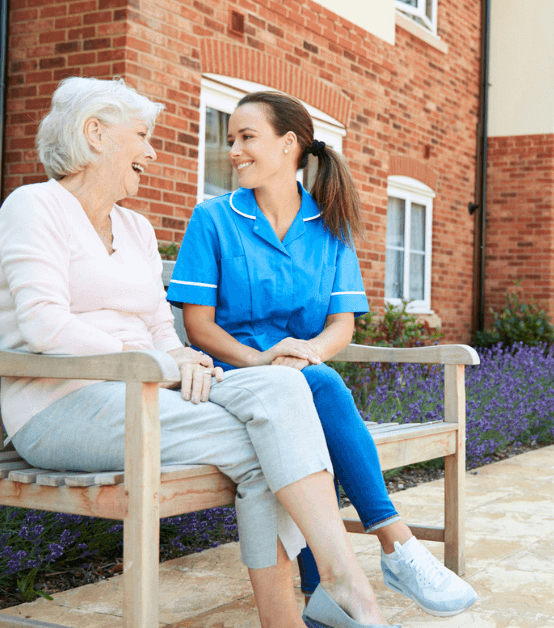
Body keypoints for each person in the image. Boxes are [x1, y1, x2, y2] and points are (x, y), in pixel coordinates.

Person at [0, 77, 398, 628]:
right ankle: (339, 588)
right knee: (269, 443)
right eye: (141, 135)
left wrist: (179, 358)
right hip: (61, 406)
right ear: (95, 135)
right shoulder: (35, 206)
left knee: (284, 388)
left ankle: (330, 590)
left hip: (145, 395)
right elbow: (44, 326)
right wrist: (163, 364)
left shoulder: (133, 226)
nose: (152, 151)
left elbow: (162, 325)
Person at [167, 91, 478, 617]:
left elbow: (342, 324)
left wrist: (307, 352)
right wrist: (261, 360)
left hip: (299, 379)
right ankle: (396, 544)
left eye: (247, 138)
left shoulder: (329, 225)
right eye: (231, 140)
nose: (234, 152)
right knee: (324, 389)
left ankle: (321, 593)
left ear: (289, 144)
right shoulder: (213, 219)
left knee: (311, 394)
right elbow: (198, 325)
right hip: (231, 377)